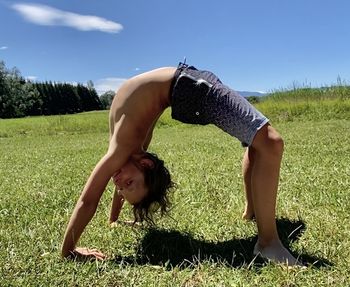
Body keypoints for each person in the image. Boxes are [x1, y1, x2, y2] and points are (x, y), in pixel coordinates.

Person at [61, 62, 300, 265]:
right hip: (188, 87)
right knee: (269, 143)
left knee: (266, 143)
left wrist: (68, 251)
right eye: (126, 185)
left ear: (146, 164)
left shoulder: (122, 149)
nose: (118, 182)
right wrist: (113, 219)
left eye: (125, 184)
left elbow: (88, 200)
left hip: (189, 86)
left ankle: (259, 225)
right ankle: (267, 241)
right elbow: (119, 180)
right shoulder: (130, 150)